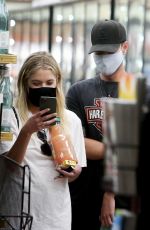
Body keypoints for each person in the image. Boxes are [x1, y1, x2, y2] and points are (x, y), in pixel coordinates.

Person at [0, 51, 87, 230]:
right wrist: (27, 131)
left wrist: (74, 172)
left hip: (56, 218)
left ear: (58, 83)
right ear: (25, 85)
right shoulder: (10, 117)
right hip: (18, 216)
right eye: (36, 83)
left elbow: (72, 174)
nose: (43, 88)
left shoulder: (71, 120)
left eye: (49, 83)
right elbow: (9, 166)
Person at [66, 19, 129, 230]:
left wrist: (110, 194)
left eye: (109, 53)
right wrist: (122, 148)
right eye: (98, 54)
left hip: (125, 198)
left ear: (125, 47)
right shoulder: (78, 91)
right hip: (83, 196)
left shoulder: (137, 92)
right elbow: (76, 143)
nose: (103, 59)